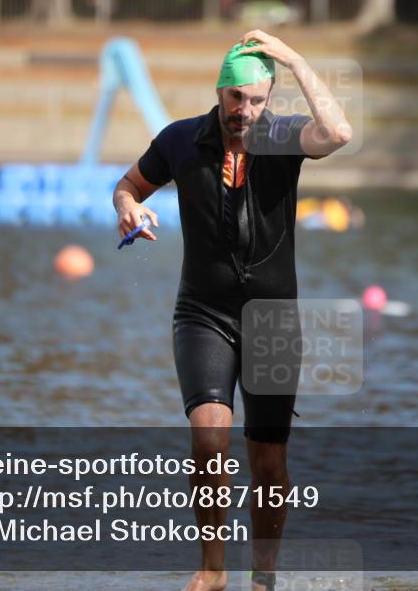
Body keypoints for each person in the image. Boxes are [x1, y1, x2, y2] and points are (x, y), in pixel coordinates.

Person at [113, 31, 353, 591]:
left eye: (256, 99)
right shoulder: (180, 141)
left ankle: (262, 578)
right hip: (203, 312)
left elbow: (339, 132)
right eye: (236, 98)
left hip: (272, 321)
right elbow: (128, 185)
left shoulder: (283, 136)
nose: (245, 111)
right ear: (219, 92)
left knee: (268, 462)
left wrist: (292, 59)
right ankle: (212, 569)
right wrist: (127, 209)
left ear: (269, 98)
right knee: (209, 437)